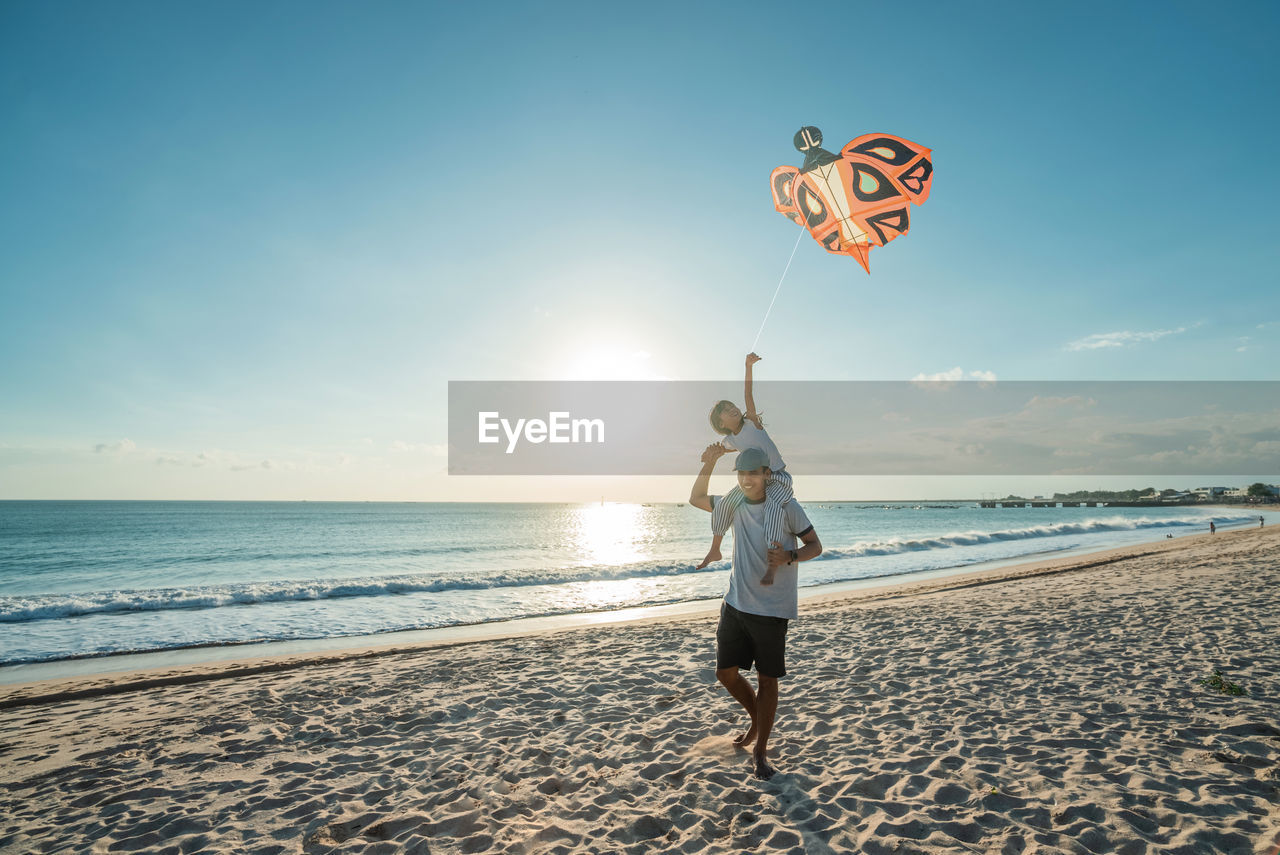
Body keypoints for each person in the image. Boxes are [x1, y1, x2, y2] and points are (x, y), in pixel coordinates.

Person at [689, 444, 822, 780]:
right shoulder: (732, 505)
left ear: (766, 474)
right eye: (741, 473)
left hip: (771, 609)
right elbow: (696, 497)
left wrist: (790, 556)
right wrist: (711, 462)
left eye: (753, 473)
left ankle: (760, 751)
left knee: (766, 678)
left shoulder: (786, 508)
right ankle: (756, 719)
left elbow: (815, 546)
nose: (747, 479)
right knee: (726, 674)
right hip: (735, 603)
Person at [697, 352, 794, 587]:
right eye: (726, 410)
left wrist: (748, 366)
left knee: (772, 511)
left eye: (732, 407)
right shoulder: (731, 440)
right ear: (721, 424)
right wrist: (708, 456)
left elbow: (748, 394)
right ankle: (715, 549)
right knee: (725, 504)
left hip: (779, 479)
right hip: (757, 481)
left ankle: (772, 565)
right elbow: (718, 451)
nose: (733, 409)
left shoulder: (752, 423)